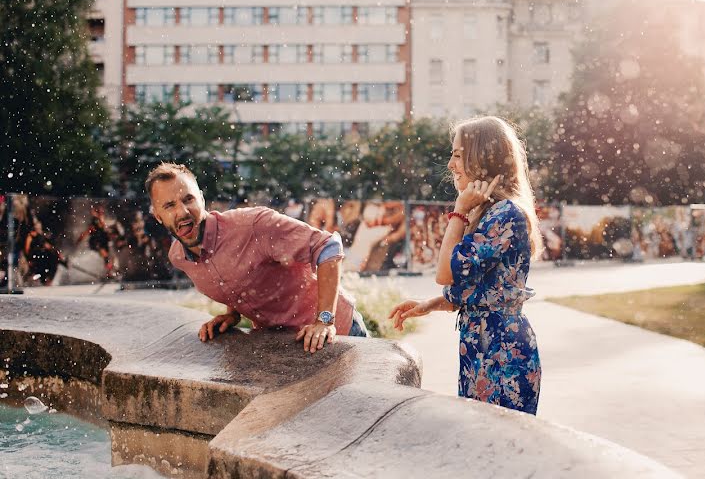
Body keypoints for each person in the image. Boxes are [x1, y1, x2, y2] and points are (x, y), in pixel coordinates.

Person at [389, 116, 542, 415]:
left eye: (458, 155)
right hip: (484, 349)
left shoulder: (506, 215)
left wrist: (459, 211)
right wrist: (431, 304)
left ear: (483, 157)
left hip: (502, 354)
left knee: (495, 447)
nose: (450, 164)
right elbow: (479, 286)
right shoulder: (490, 213)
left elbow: (444, 272)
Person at [145, 162, 368, 352]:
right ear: (158, 216)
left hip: (336, 333)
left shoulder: (253, 225)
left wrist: (324, 321)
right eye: (169, 205)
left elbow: (327, 246)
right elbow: (238, 274)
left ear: (202, 199)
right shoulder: (178, 257)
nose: (182, 211)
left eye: (188, 199)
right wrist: (232, 315)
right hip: (282, 345)